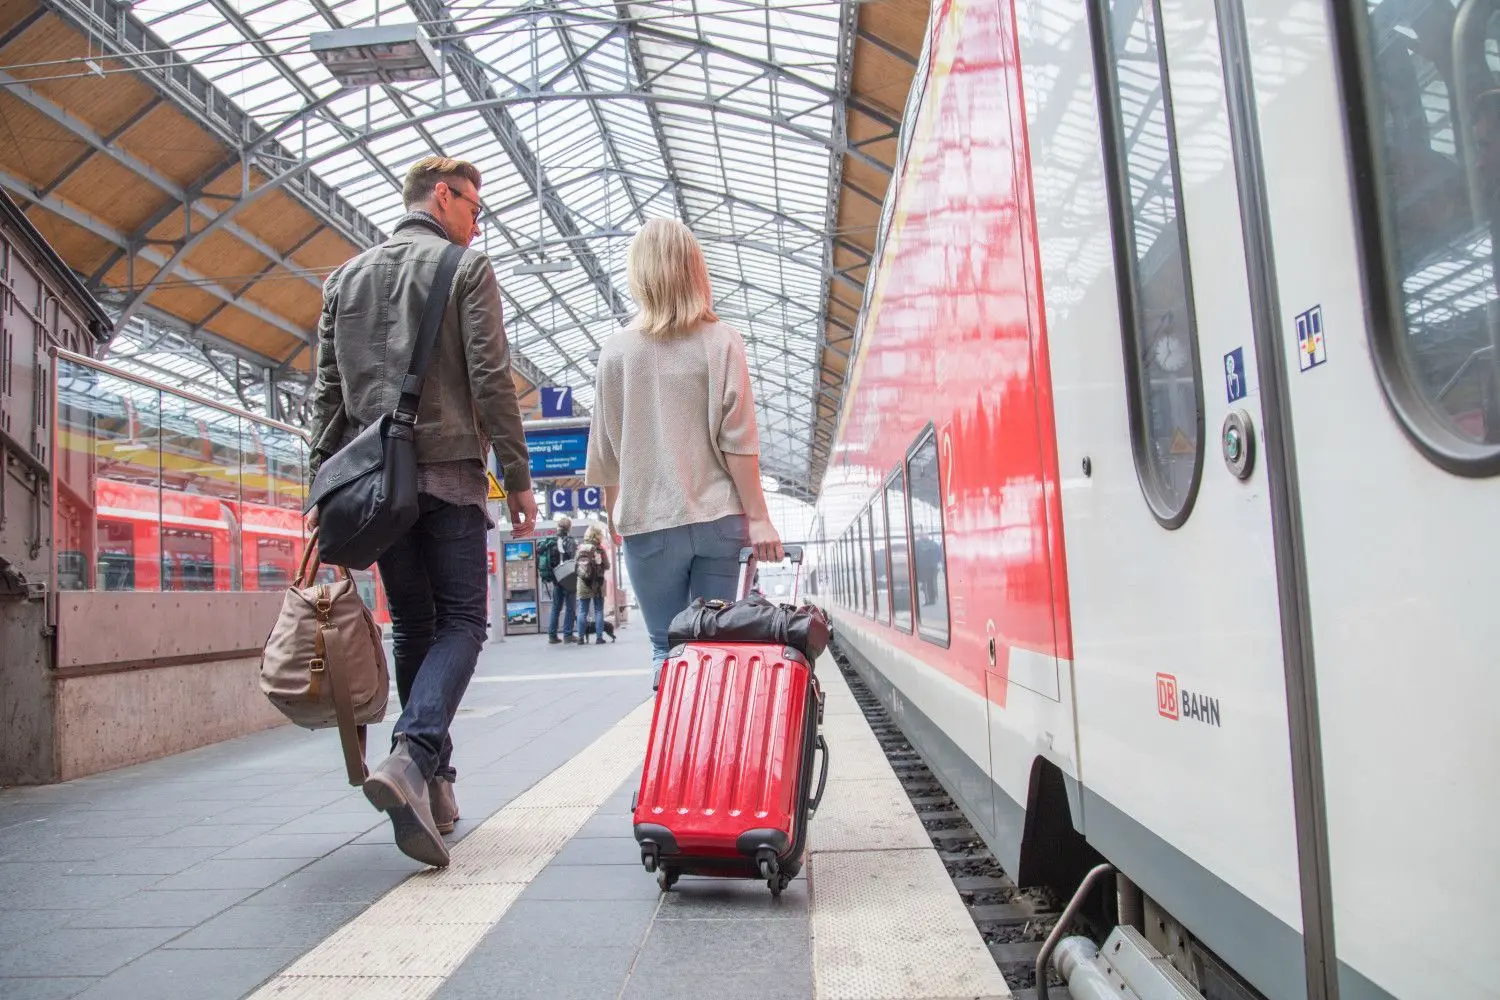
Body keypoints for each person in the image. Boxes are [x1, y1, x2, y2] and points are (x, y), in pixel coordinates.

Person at [308, 155, 538, 868]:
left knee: (414, 623)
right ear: (443, 196)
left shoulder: (342, 279)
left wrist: (317, 489)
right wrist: (518, 475)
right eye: (474, 206)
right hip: (447, 478)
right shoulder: (466, 269)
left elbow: (326, 397)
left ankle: (434, 783)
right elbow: (491, 378)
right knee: (466, 622)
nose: (477, 222)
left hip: (377, 488)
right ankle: (411, 758)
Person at [585, 218, 783, 681]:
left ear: (639, 274)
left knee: (667, 647)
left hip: (648, 525)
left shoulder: (616, 352)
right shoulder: (722, 342)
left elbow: (607, 451)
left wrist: (619, 518)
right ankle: (722, 749)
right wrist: (758, 516)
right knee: (719, 648)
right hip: (720, 521)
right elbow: (737, 441)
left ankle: (677, 750)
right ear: (695, 270)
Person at [537, 516, 578, 644]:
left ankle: (552, 635)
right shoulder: (570, 541)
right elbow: (571, 557)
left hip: (555, 578)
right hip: (567, 577)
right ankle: (567, 635)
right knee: (570, 607)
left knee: (556, 607)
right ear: (569, 528)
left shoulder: (551, 541)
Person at [574, 525, 612, 645]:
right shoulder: (599, 549)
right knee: (599, 610)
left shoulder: (580, 548)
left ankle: (580, 638)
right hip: (597, 583)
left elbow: (575, 566)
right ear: (597, 535)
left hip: (583, 583)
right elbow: (607, 566)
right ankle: (599, 637)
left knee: (582, 611)